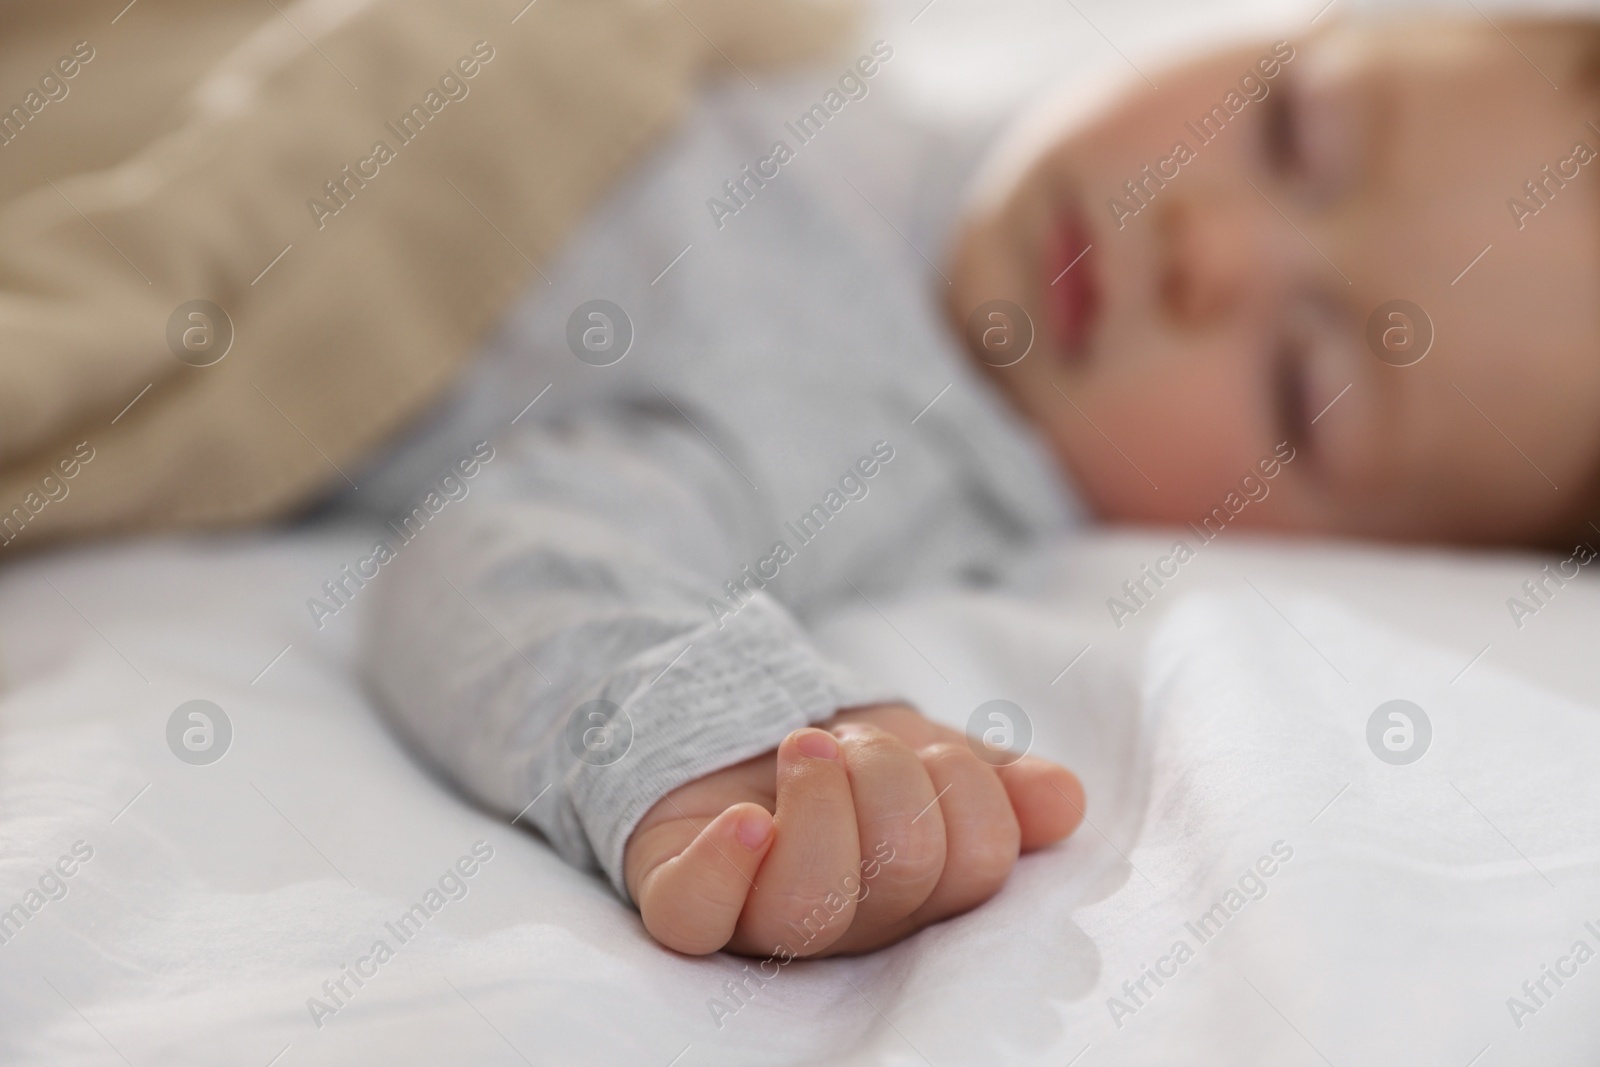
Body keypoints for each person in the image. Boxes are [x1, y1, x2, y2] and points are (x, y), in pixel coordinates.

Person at [355, 14, 1600, 958]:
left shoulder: (870, 434)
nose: (1208, 247)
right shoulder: (897, 93)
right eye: (1292, 131)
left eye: (1302, 383)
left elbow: (501, 549)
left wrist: (723, 742)